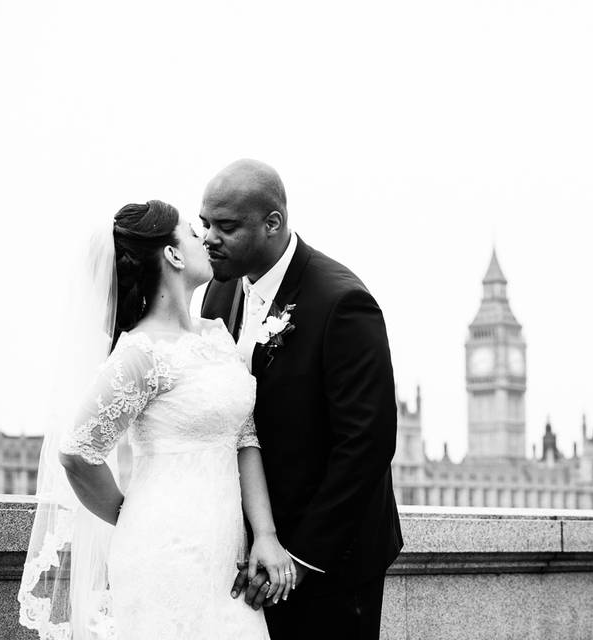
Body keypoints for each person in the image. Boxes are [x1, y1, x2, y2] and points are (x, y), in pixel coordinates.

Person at [19, 200, 292, 639]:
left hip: (226, 549)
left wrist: (266, 532)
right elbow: (76, 453)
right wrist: (130, 515)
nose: (204, 237)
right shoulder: (140, 353)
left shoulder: (217, 336)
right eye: (191, 230)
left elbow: (244, 436)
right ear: (173, 254)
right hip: (162, 550)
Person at [200, 159, 403, 640]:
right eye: (205, 224)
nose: (209, 238)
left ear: (272, 223)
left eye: (225, 227)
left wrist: (302, 558)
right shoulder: (216, 291)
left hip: (329, 563)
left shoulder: (342, 303)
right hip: (243, 553)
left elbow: (367, 444)